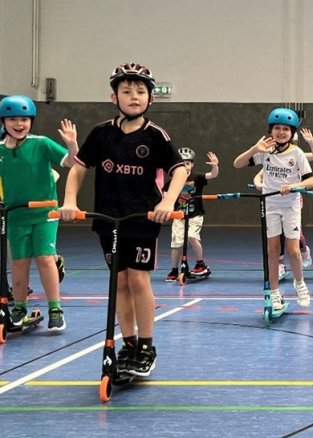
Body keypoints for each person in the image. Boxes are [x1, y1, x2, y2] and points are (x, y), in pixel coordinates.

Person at [60, 63, 189, 377]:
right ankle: (128, 343)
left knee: (138, 280)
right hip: (108, 218)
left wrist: (168, 200)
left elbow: (180, 169)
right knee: (118, 282)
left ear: (150, 99)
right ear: (113, 96)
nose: (134, 96)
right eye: (127, 91)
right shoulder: (102, 133)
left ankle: (146, 345)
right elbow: (79, 167)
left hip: (142, 218)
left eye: (140, 92)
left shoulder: (155, 136)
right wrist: (69, 201)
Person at [0, 95, 79, 331]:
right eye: (13, 119)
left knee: (44, 258)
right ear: (3, 122)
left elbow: (71, 162)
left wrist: (72, 144)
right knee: (19, 263)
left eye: (24, 119)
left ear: (31, 121)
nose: (19, 124)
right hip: (15, 214)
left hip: (45, 211)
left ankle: (55, 309)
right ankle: (20, 307)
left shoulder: (41, 143)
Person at [233, 108, 313, 310]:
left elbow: (311, 181)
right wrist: (255, 149)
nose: (281, 132)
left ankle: (300, 283)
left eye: (285, 129)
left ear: (292, 132)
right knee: (272, 250)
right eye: (277, 128)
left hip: (291, 206)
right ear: (271, 130)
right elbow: (237, 164)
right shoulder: (266, 151)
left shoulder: (296, 154)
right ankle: (275, 292)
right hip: (270, 205)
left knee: (294, 251)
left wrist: (294, 186)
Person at [253, 128, 313, 276]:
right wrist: (258, 183)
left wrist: (311, 141)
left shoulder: (297, 154)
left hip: (292, 198)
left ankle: (303, 250)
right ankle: (280, 265)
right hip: (273, 200)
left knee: (294, 234)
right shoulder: (271, 156)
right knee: (277, 236)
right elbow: (260, 174)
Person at [165, 148, 219, 282]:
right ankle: (174, 270)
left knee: (192, 236)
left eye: (188, 163)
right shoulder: (171, 182)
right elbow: (166, 198)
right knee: (176, 244)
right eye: (182, 164)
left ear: (192, 165)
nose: (185, 166)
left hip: (195, 215)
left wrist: (215, 166)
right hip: (179, 216)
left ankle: (200, 263)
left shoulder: (197, 177)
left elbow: (212, 175)